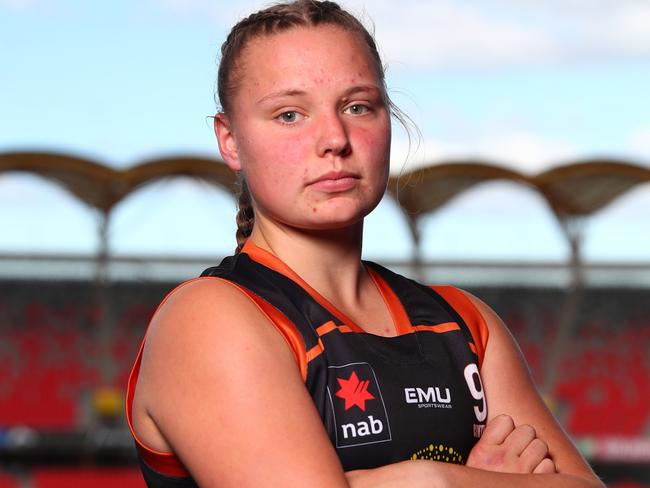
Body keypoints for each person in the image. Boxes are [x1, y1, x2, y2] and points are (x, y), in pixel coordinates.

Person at [126, 1, 604, 486]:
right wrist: (441, 481)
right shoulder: (209, 316)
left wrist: (420, 481)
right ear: (229, 140)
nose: (334, 138)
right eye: (290, 115)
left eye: (358, 107)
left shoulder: (465, 323)